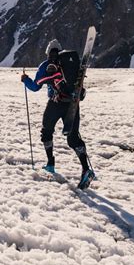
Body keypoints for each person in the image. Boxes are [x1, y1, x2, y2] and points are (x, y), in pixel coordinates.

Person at [21, 39, 95, 189]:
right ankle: (86, 169)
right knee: (73, 137)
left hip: (55, 103)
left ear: (48, 52)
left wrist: (25, 80)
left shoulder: (47, 65)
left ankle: (50, 163)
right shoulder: (72, 64)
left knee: (46, 131)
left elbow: (35, 87)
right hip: (72, 105)